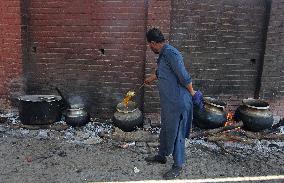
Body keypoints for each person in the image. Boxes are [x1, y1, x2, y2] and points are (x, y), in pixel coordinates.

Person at [144, 28, 196, 180]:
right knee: (166, 129)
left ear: (153, 43)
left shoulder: (171, 53)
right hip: (169, 102)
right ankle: (162, 155)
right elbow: (164, 72)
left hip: (178, 101)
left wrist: (193, 94)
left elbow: (184, 76)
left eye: (149, 45)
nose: (150, 47)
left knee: (177, 132)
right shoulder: (163, 54)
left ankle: (178, 165)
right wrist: (151, 78)